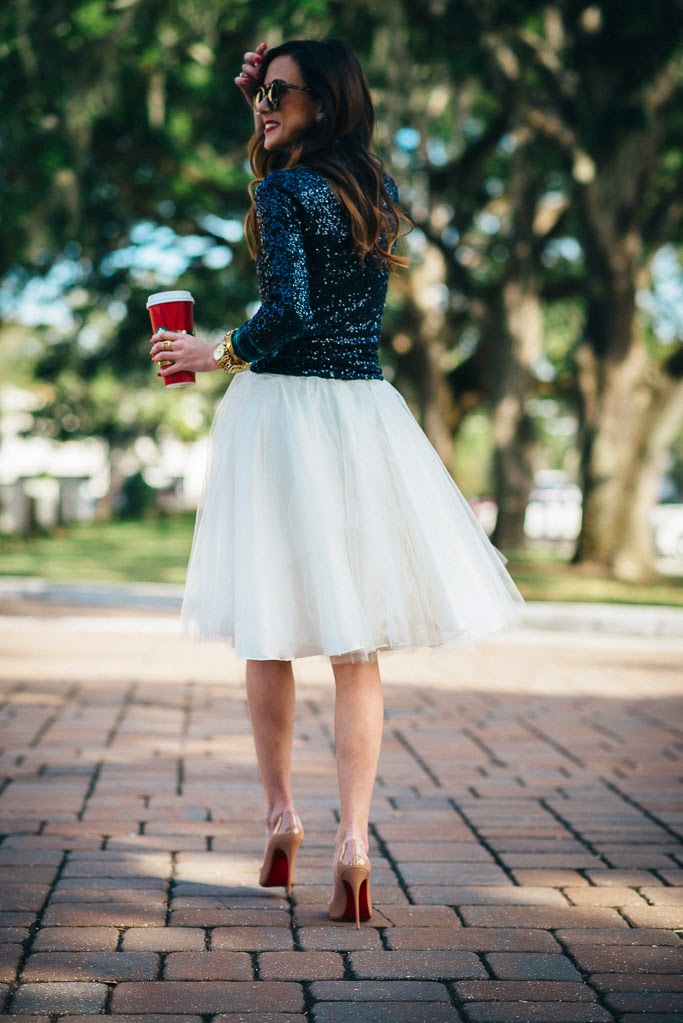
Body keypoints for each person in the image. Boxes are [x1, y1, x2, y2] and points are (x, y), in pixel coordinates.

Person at [150, 38, 523, 927]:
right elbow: (329, 296)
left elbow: (288, 312)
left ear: (325, 100)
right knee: (356, 647)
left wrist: (214, 352)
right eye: (262, 92)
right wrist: (267, 108)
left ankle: (282, 815)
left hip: (281, 420)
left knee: (266, 625)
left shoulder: (281, 191)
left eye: (282, 94)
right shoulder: (374, 189)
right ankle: (354, 840)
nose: (265, 105)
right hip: (361, 418)